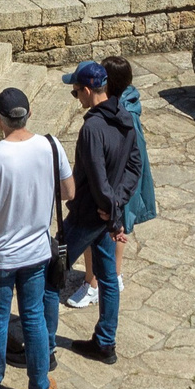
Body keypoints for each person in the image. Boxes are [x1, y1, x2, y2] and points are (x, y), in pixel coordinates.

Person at [0, 87, 69, 389]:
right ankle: (39, 384)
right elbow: (69, 192)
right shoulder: (51, 146)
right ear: (29, 114)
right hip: (36, 252)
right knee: (34, 317)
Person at [52, 61, 141, 365]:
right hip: (105, 217)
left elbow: (98, 179)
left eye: (76, 92)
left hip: (87, 217)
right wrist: (117, 206)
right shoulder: (125, 117)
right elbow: (134, 168)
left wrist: (112, 214)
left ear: (88, 91)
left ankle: (41, 345)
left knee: (49, 274)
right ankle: (105, 343)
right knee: (109, 279)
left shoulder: (92, 128)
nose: (76, 97)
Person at [69, 54, 154, 309]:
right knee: (110, 250)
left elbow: (102, 172)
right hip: (115, 197)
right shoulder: (122, 111)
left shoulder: (107, 121)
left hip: (105, 201)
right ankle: (106, 284)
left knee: (54, 269)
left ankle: (93, 283)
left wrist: (113, 205)